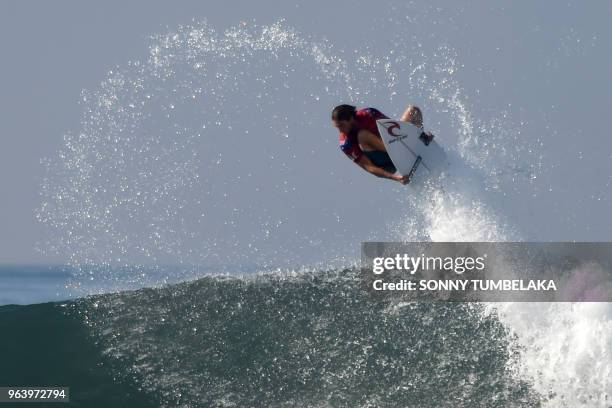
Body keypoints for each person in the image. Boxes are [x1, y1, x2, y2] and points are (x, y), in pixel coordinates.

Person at [332, 104, 433, 184]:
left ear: (350, 118)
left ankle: (421, 139)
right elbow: (369, 167)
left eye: (341, 125)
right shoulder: (345, 144)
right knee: (362, 135)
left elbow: (395, 129)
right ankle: (402, 148)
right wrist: (396, 178)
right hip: (386, 163)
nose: (340, 130)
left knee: (413, 110)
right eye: (337, 127)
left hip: (395, 144)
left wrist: (417, 134)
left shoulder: (369, 113)